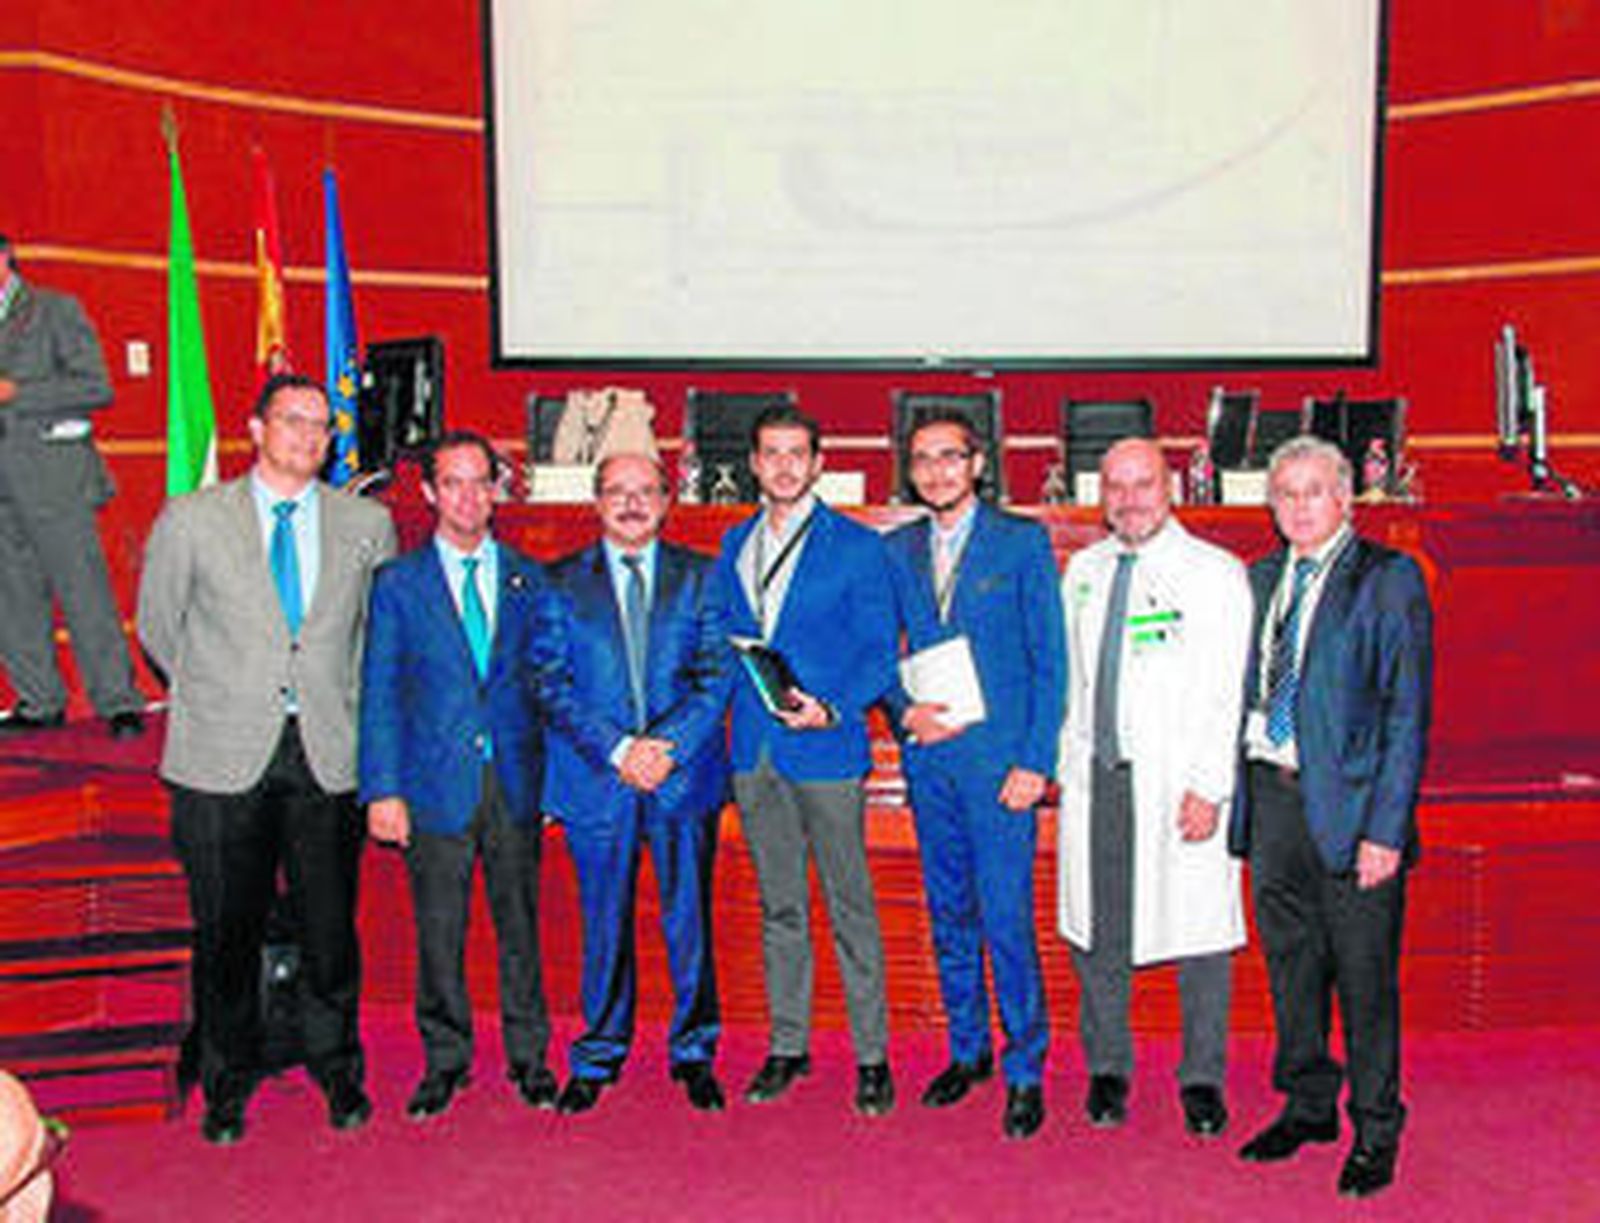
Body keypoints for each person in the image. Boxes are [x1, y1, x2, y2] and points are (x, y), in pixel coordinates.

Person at [136, 372, 396, 1145]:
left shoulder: (366, 523)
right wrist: (227, 690)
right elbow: (159, 627)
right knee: (225, 927)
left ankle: (337, 1065)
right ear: (255, 428)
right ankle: (226, 1078)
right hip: (221, 752)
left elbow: (370, 642)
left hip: (327, 751)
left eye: (321, 426)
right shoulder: (191, 519)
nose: (309, 438)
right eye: (293, 422)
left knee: (328, 926)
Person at [1229, 435, 1432, 1199]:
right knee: (1292, 967)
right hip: (1272, 798)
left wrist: (1386, 828)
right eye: (1285, 492)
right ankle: (1309, 1104)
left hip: (1353, 815)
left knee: (1366, 978)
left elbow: (1406, 714)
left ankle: (1377, 1126)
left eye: (1315, 490)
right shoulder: (1258, 579)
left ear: (1346, 499)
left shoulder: (1388, 579)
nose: (1299, 505)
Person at [360, 431, 560, 1120]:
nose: (469, 496)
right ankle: (445, 1060)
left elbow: (549, 689)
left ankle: (530, 1057)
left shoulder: (530, 578)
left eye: (482, 482)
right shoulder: (396, 584)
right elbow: (379, 691)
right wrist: (382, 789)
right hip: (432, 787)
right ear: (428, 492)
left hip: (514, 783)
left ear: (498, 491)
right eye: (453, 482)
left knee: (521, 927)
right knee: (438, 931)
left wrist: (555, 782)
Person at [1056, 438, 1252, 1137]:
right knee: (1099, 932)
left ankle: (1202, 1077)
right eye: (1115, 486)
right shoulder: (1084, 567)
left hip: (1178, 785)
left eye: (1142, 484)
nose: (1129, 499)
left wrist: (1208, 785)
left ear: (1169, 487)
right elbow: (1073, 683)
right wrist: (1062, 765)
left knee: (1199, 935)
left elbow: (1226, 690)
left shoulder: (1212, 572)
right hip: (1098, 778)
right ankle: (1108, 1068)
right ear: (1100, 493)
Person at [882, 410, 1064, 1139]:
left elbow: (1051, 660)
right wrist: (902, 710)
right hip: (932, 764)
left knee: (1008, 919)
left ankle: (1026, 1067)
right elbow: (874, 651)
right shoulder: (894, 549)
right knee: (949, 912)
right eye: (923, 459)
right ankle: (969, 1051)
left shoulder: (1021, 542)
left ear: (978, 463)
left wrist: (1035, 762)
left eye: (950, 456)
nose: (936, 470)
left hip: (1001, 772)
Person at [713, 404, 898, 1116]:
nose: (785, 465)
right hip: (756, 754)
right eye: (771, 453)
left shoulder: (857, 546)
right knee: (780, 906)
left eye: (798, 453)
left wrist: (836, 707)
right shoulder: (734, 542)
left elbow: (881, 650)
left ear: (818, 463)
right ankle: (788, 1045)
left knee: (850, 905)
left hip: (826, 748)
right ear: (754, 465)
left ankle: (873, 1057)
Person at [540, 453, 732, 1115]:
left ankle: (694, 1051)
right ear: (596, 501)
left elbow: (717, 676)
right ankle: (597, 1052)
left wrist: (665, 748)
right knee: (603, 921)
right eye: (617, 492)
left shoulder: (703, 576)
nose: (631, 503)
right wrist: (621, 748)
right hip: (599, 779)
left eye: (644, 491)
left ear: (666, 499)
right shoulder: (558, 582)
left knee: (690, 921)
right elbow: (550, 683)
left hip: (683, 779)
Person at [0, 233, 145, 738]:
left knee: (84, 593)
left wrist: (17, 391)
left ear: (4, 260)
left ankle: (119, 701)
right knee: (11, 598)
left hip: (54, 477)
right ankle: (38, 700)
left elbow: (94, 387)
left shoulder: (54, 310)